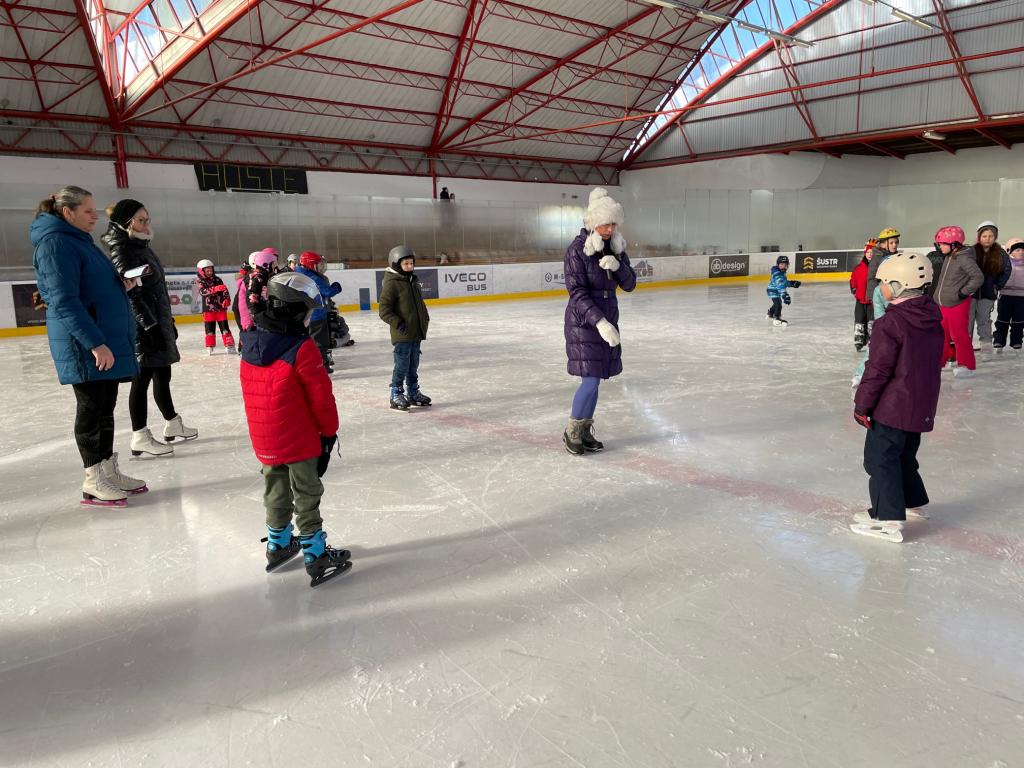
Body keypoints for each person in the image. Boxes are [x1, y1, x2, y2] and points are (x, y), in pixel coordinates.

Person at [31, 186, 146, 506]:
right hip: (84, 344)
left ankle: (107, 469)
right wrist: (95, 343)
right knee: (91, 410)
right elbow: (64, 300)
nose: (95, 216)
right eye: (87, 211)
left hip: (103, 338)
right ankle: (93, 478)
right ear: (67, 212)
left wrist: (120, 284)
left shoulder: (81, 241)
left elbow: (91, 287)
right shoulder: (55, 244)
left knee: (105, 408)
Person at [239, 272, 350, 587]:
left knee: (275, 490)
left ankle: (278, 544)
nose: (309, 318)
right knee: (306, 492)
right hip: (299, 439)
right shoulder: (302, 348)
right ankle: (315, 553)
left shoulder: (249, 342)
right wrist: (328, 434)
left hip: (265, 439)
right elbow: (322, 399)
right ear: (294, 310)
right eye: (308, 311)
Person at [851, 252, 945, 543]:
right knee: (904, 456)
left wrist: (862, 405)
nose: (880, 288)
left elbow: (878, 369)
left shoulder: (890, 323)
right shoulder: (931, 317)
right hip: (920, 404)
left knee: (880, 459)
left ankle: (888, 518)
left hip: (892, 407)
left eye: (883, 283)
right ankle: (912, 503)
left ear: (898, 285)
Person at [102, 199, 197, 457]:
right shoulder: (122, 250)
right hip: (143, 327)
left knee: (162, 374)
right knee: (141, 379)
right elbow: (131, 295)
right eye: (141, 220)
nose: (146, 225)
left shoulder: (140, 246)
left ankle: (172, 422)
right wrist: (151, 326)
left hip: (156, 320)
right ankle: (140, 435)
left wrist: (167, 322)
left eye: (148, 220)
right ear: (126, 223)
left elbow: (154, 291)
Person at [562, 187, 637, 455]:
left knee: (597, 378)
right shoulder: (577, 250)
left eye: (613, 224)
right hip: (584, 323)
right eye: (605, 224)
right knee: (591, 380)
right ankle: (572, 431)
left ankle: (584, 431)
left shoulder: (616, 247)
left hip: (608, 320)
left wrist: (619, 267)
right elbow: (577, 292)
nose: (609, 229)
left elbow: (630, 285)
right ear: (593, 222)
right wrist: (601, 323)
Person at [378, 245, 432, 410]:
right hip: (402, 334)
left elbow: (419, 304)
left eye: (411, 263)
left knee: (413, 365)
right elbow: (384, 310)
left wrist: (425, 318)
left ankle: (413, 392)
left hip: (416, 332)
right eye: (406, 263)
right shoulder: (392, 283)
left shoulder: (413, 281)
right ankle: (396, 393)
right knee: (401, 365)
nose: (410, 266)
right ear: (396, 264)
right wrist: (398, 323)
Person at [932, 226, 984, 377]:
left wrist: (963, 292)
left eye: (942, 244)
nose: (940, 247)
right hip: (943, 304)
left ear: (953, 244)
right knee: (942, 335)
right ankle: (939, 362)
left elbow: (978, 277)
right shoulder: (950, 256)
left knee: (959, 335)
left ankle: (967, 365)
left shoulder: (964, 258)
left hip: (957, 304)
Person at [295, 250, 343, 373]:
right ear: (311, 264)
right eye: (318, 264)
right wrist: (337, 286)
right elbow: (327, 291)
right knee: (319, 342)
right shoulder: (312, 277)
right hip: (316, 315)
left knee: (306, 343)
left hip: (302, 315)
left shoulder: (298, 272)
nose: (320, 268)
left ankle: (307, 365)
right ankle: (322, 367)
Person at [970, 221, 1011, 349]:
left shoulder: (1000, 253)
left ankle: (986, 345)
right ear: (979, 237)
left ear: (995, 237)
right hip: (970, 293)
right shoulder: (970, 251)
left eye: (990, 236)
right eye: (984, 236)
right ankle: (965, 345)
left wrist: (997, 286)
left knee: (984, 320)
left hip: (988, 293)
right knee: (967, 320)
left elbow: (1007, 270)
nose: (987, 239)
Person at [196, 259, 234, 354]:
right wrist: (215, 289)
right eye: (207, 271)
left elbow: (224, 290)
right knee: (209, 328)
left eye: (211, 270)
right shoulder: (200, 281)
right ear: (202, 271)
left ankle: (229, 345)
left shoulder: (218, 279)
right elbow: (202, 292)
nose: (210, 272)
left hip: (220, 308)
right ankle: (210, 346)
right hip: (208, 309)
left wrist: (227, 298)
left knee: (225, 327)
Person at [993, 237, 1024, 352]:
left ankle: (1016, 342)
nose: (1021, 252)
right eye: (1017, 250)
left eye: (1023, 250)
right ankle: (999, 341)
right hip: (1005, 296)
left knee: (1019, 321)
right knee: (1002, 320)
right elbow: (996, 277)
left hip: (1021, 297)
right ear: (1009, 251)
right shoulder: (1004, 264)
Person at [850, 239, 875, 350]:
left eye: (872, 252)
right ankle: (859, 340)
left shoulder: (876, 267)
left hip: (871, 300)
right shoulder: (859, 268)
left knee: (871, 321)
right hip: (860, 299)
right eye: (868, 252)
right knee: (859, 319)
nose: (870, 254)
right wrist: (854, 288)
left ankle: (872, 339)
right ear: (865, 253)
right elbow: (853, 279)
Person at [765, 254, 801, 326]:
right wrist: (785, 295)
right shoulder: (777, 274)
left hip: (775, 290)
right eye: (781, 264)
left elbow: (784, 283)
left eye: (785, 264)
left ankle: (770, 313)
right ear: (778, 264)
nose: (783, 266)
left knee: (777, 303)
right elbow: (780, 285)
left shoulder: (781, 272)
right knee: (778, 304)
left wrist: (792, 283)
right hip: (773, 290)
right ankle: (777, 319)